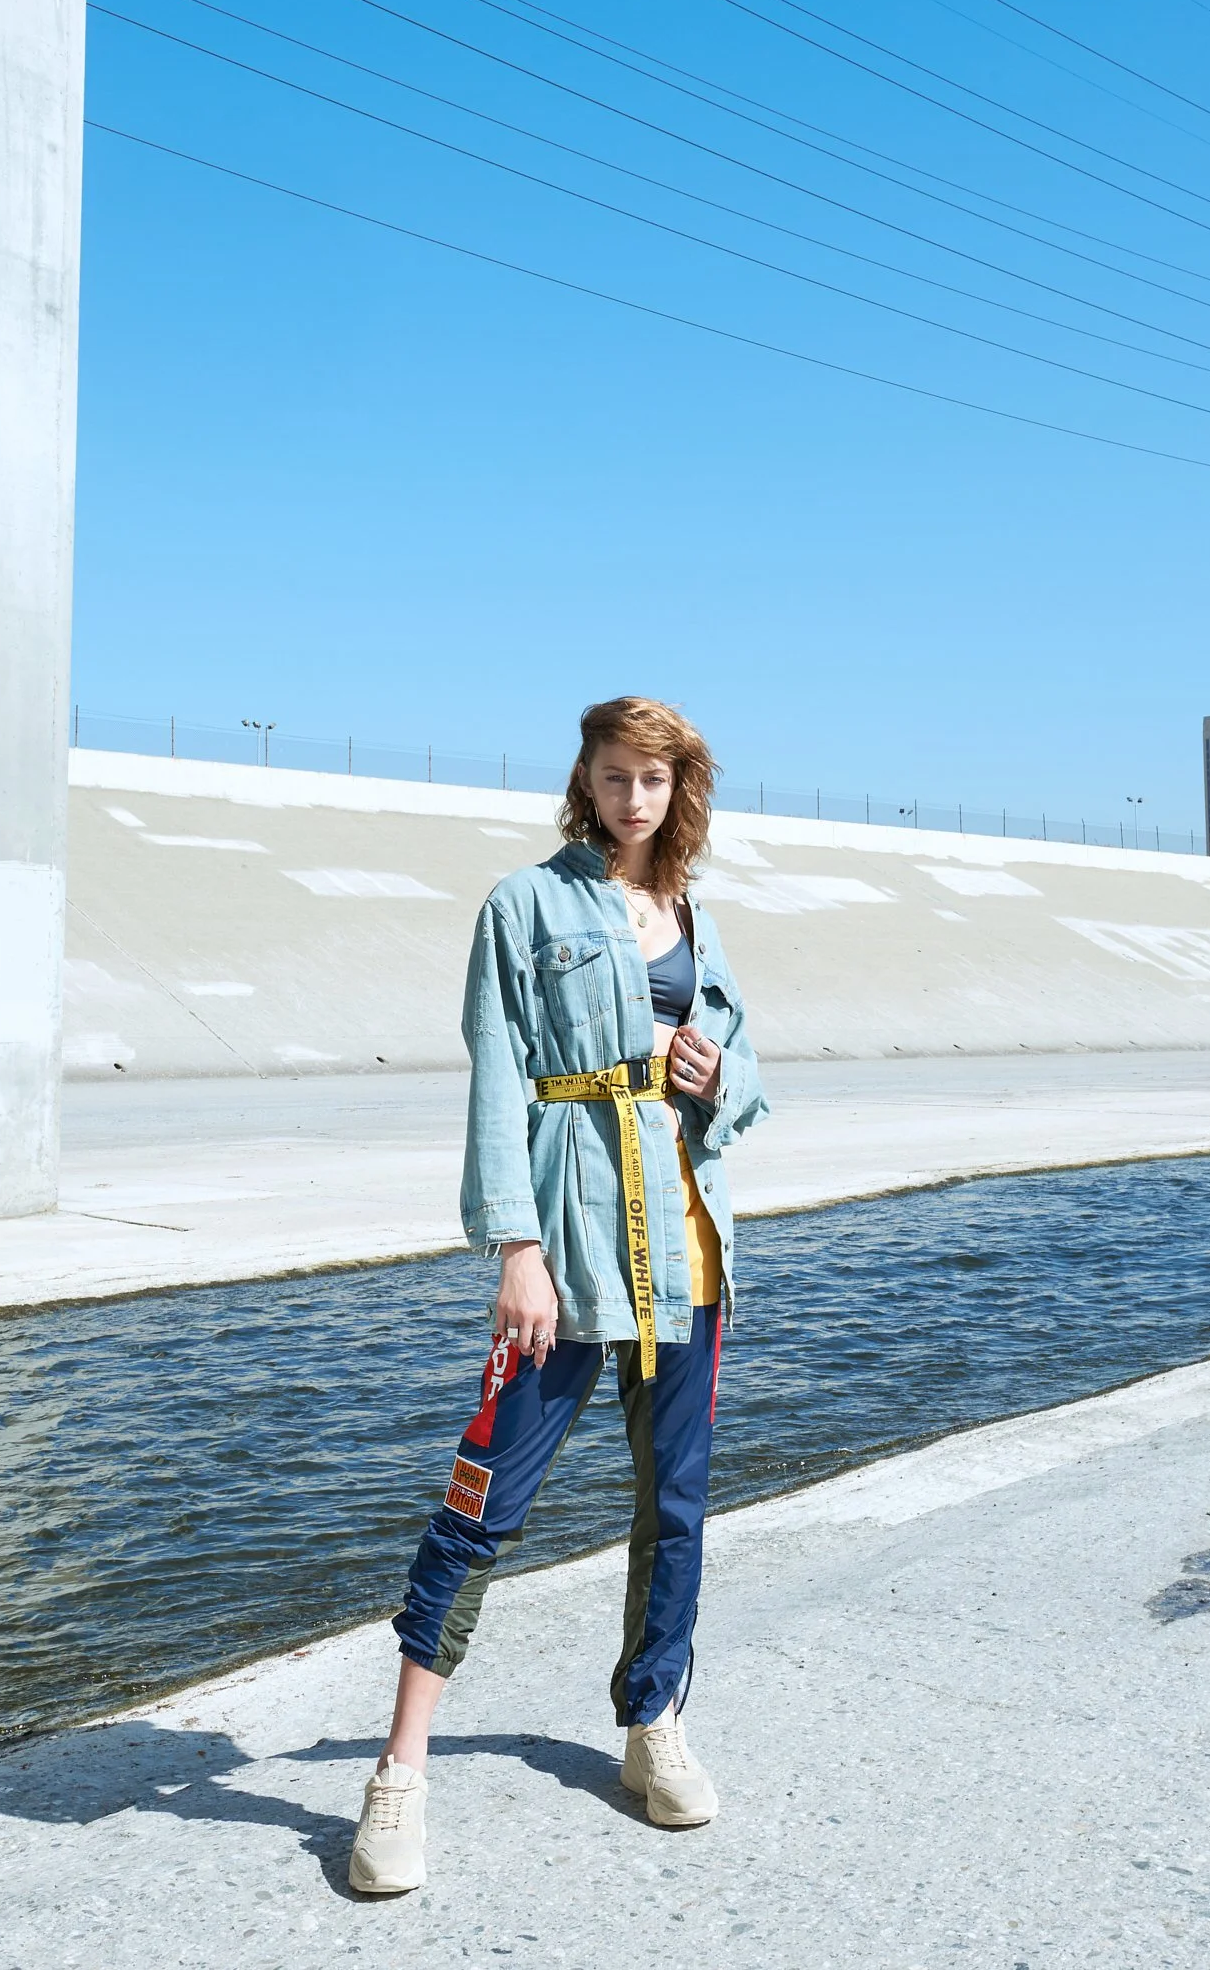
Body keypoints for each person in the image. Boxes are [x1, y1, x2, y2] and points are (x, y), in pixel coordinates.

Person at [348, 696, 768, 1895]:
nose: (634, 795)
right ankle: (399, 1771)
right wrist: (514, 1247)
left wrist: (715, 1072)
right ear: (583, 778)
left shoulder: (694, 913)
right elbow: (497, 1079)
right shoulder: (525, 904)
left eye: (656, 776)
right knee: (483, 1496)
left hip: (689, 1241)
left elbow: (745, 1076)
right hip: (571, 1241)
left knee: (674, 1503)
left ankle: (654, 1723)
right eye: (615, 772)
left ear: (678, 787)